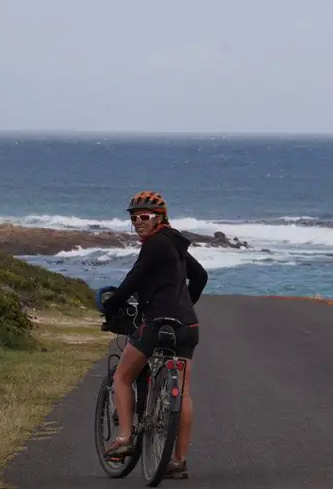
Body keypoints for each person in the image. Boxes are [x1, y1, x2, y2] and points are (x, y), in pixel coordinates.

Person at [101, 190, 208, 480]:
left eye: (144, 217)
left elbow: (132, 281)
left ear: (160, 218)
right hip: (188, 326)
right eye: (134, 218)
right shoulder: (176, 245)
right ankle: (178, 461)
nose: (138, 222)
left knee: (123, 376)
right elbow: (200, 276)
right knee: (183, 392)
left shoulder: (155, 245)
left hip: (157, 323)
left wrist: (110, 306)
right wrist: (186, 304)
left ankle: (124, 438)